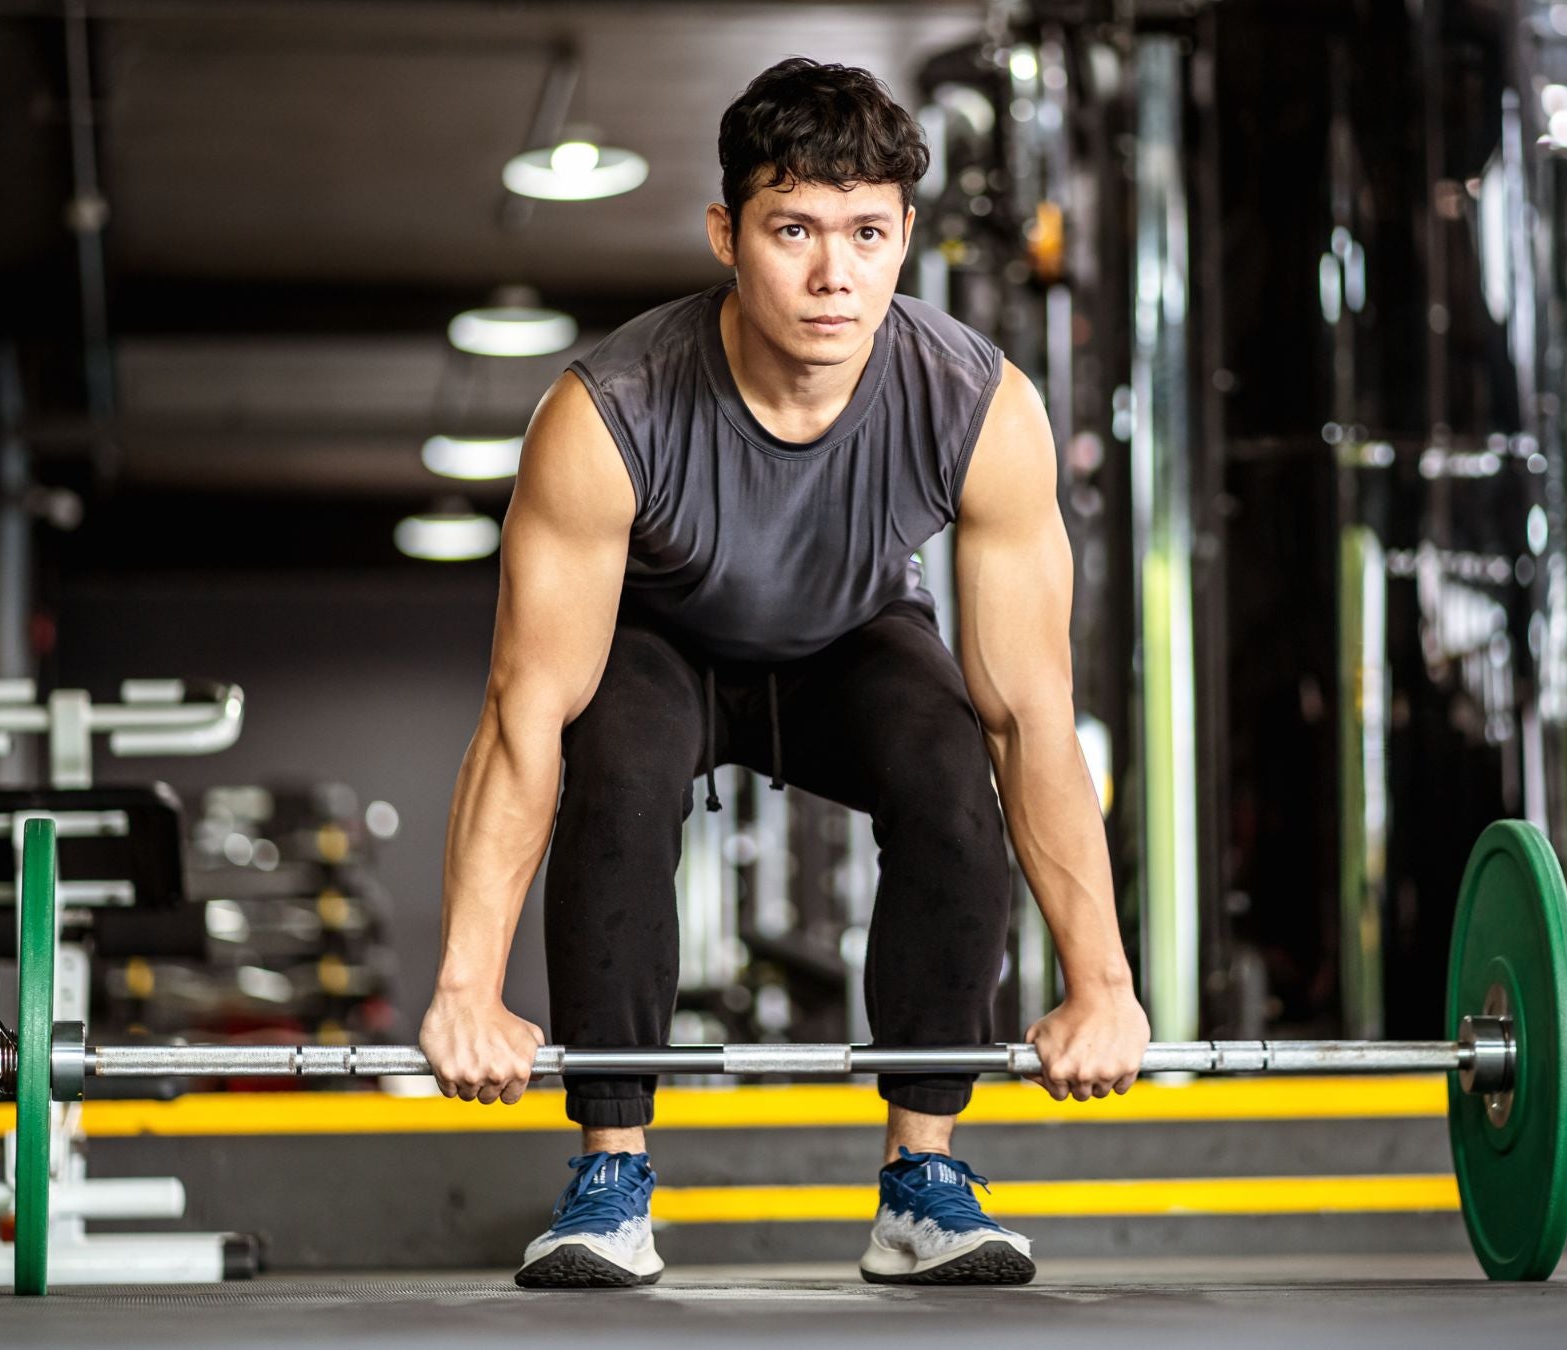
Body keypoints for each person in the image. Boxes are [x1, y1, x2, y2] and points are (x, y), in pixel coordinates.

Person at [417, 56, 1149, 1290]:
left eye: (867, 233)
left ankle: (923, 1179)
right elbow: (522, 715)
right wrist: (465, 988)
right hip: (663, 640)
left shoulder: (979, 405)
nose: (832, 275)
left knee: (952, 764)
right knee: (613, 758)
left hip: (851, 641)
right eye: (794, 229)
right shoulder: (610, 412)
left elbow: (1031, 719)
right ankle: (612, 1175)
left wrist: (1105, 985)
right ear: (727, 233)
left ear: (906, 236)